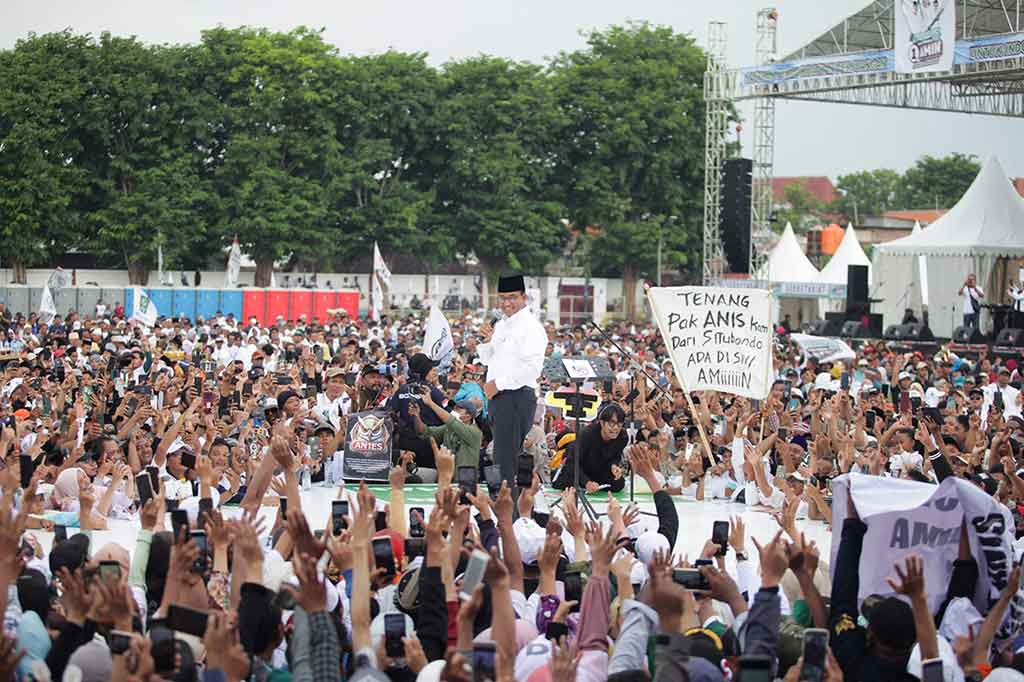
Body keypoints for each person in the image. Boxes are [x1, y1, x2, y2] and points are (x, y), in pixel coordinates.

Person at [477, 274, 546, 497]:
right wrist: (487, 342)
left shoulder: (530, 327)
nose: (507, 303)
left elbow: (532, 369)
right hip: (499, 399)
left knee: (507, 463)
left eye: (513, 297)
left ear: (524, 297)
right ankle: (505, 511)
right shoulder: (503, 325)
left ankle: (512, 517)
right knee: (501, 459)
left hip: (515, 397)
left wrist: (498, 385)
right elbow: (489, 360)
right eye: (503, 298)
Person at [552, 403, 628, 492]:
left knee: (619, 483)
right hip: (579, 469)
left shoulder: (622, 437)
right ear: (602, 422)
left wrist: (614, 466)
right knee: (567, 482)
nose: (616, 428)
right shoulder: (586, 435)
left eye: (619, 424)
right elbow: (571, 462)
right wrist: (586, 482)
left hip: (599, 469)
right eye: (612, 423)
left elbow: (615, 456)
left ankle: (592, 485)